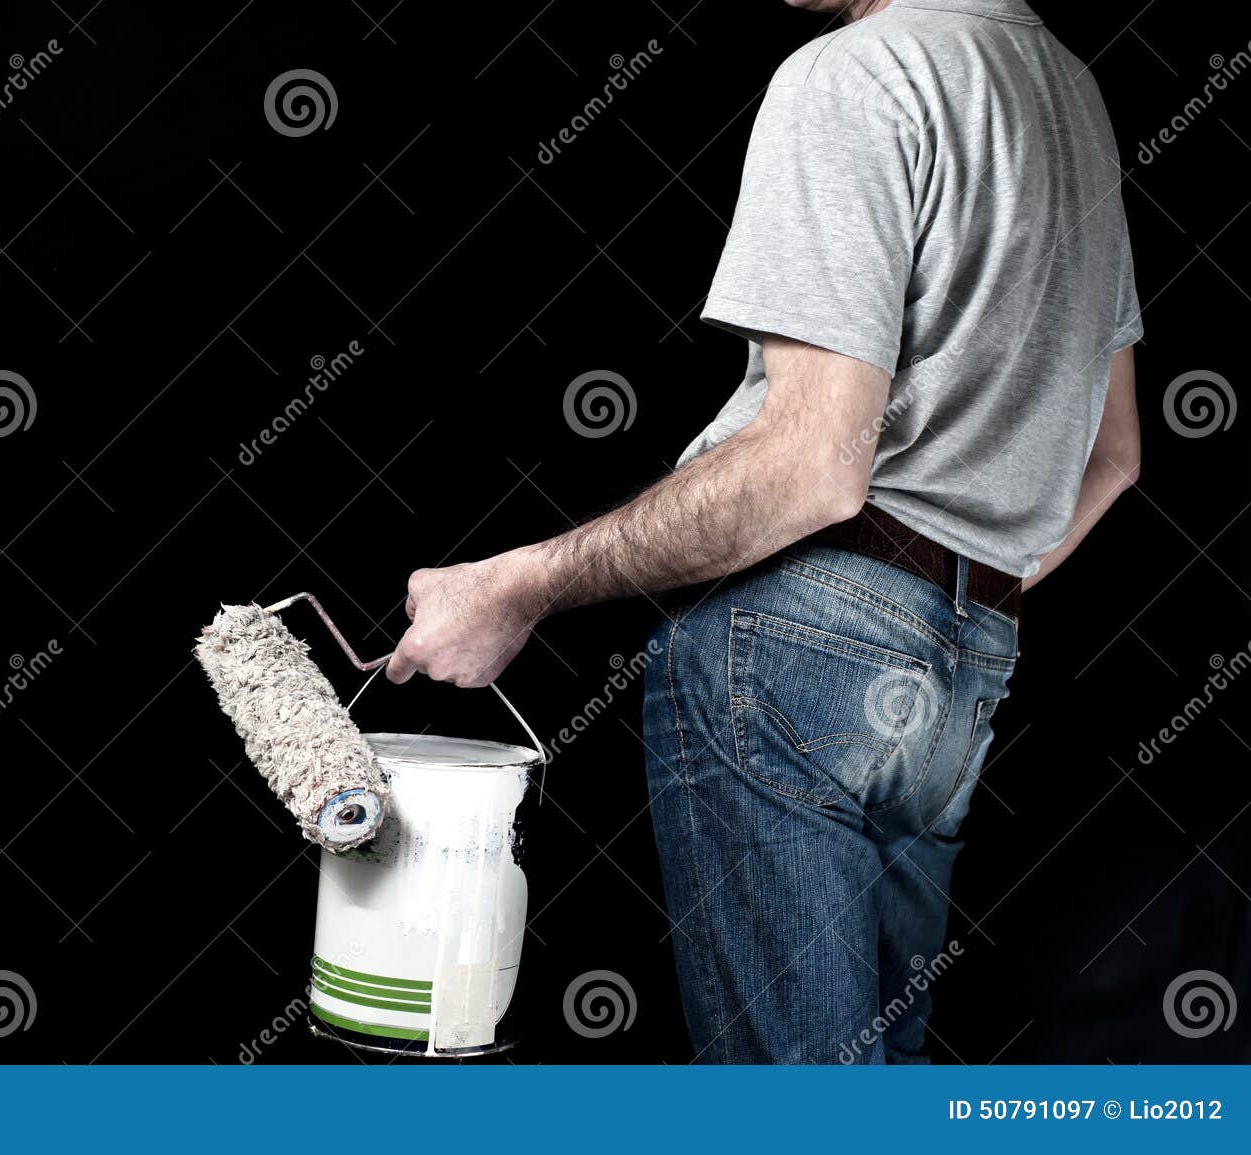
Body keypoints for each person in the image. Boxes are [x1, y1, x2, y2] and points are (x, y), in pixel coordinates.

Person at [385, 0, 1142, 1063]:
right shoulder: (1071, 95)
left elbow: (811, 469)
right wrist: (949, 595)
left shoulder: (855, 74)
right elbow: (1113, 458)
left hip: (792, 650)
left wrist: (519, 584)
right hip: (968, 659)